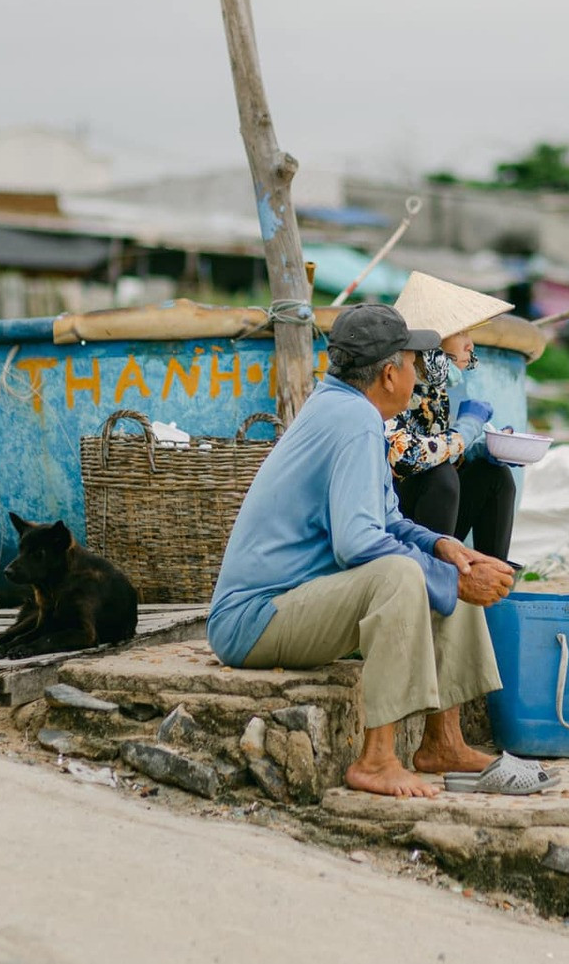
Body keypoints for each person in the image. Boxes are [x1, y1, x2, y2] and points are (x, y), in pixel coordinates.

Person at [207, 303, 515, 798]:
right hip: (252, 620)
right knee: (402, 575)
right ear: (390, 373)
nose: (418, 373)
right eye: (413, 362)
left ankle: (445, 743)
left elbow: (388, 520)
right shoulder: (353, 420)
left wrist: (445, 547)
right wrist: (452, 578)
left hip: (297, 601)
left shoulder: (348, 408)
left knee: (448, 561)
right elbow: (358, 544)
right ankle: (376, 760)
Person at [386, 273, 520, 562]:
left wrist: (477, 451)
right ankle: (434, 577)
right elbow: (405, 458)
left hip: (427, 516)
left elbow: (438, 450)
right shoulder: (392, 381)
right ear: (432, 338)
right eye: (462, 333)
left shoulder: (435, 388)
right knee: (439, 475)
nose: (469, 345)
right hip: (391, 527)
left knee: (495, 476)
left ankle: (490, 577)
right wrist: (465, 431)